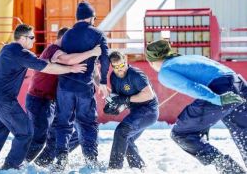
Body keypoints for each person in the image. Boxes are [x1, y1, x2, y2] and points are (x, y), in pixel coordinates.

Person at [0, 24, 87, 171]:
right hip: (4, 101)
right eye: (32, 37)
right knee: (26, 133)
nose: (34, 40)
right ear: (23, 38)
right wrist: (71, 68)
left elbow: (41, 63)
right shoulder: (20, 52)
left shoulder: (8, 49)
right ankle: (11, 167)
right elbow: (46, 67)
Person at [146, 40, 247, 173]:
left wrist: (217, 98)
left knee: (181, 134)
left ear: (152, 61)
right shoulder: (191, 58)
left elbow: (191, 87)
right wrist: (205, 122)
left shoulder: (165, 70)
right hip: (239, 85)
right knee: (243, 133)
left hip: (220, 90)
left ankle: (231, 170)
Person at [25, 27, 101, 166]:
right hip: (39, 99)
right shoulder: (53, 49)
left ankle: (44, 162)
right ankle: (21, 164)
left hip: (53, 100)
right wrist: (91, 52)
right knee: (39, 138)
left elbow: (93, 70)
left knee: (64, 135)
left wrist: (100, 83)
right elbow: (68, 60)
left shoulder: (69, 51)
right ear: (63, 39)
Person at [54, 1, 110, 170]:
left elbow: (60, 57)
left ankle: (61, 160)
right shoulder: (98, 34)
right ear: (91, 17)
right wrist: (104, 82)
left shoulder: (67, 35)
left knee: (63, 123)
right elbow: (105, 59)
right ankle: (91, 160)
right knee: (87, 123)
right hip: (84, 87)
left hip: (64, 85)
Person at [103, 51, 158, 169]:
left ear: (125, 61)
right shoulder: (113, 77)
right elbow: (119, 99)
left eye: (122, 65)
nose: (120, 69)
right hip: (135, 112)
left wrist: (126, 99)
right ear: (112, 66)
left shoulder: (135, 75)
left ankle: (114, 168)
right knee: (126, 140)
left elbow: (149, 95)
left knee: (121, 132)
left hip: (148, 110)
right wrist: (114, 108)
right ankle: (139, 168)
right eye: (116, 67)